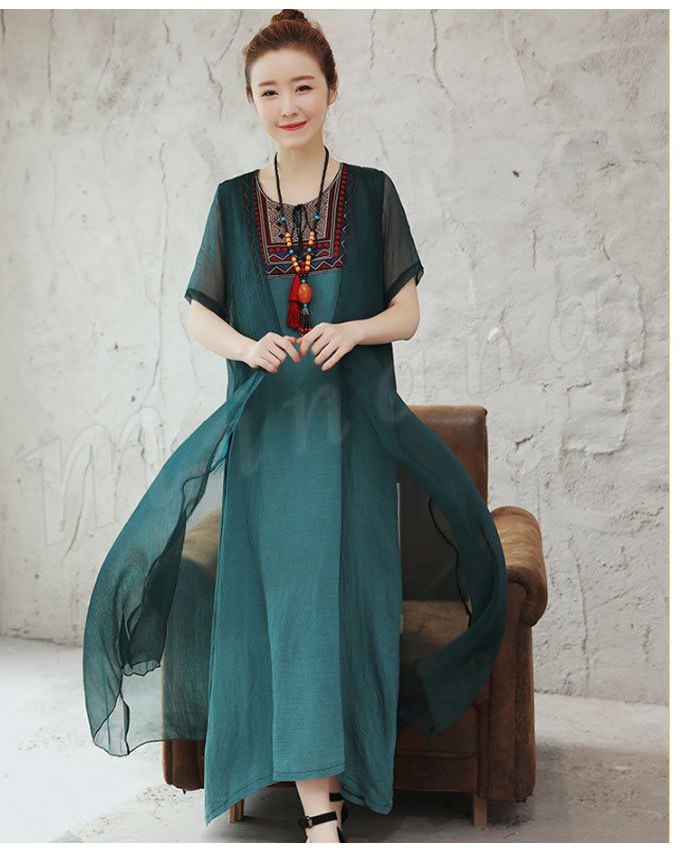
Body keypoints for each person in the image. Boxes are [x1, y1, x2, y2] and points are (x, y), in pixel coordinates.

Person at [82, 8, 508, 845]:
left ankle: (332, 795)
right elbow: (196, 312)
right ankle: (318, 810)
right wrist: (248, 344)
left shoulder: (373, 193)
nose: (288, 105)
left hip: (355, 447)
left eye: (302, 87)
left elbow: (409, 312)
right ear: (251, 100)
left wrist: (356, 329)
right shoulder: (232, 203)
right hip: (270, 449)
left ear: (332, 90)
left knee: (346, 612)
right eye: (269, 91)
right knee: (284, 615)